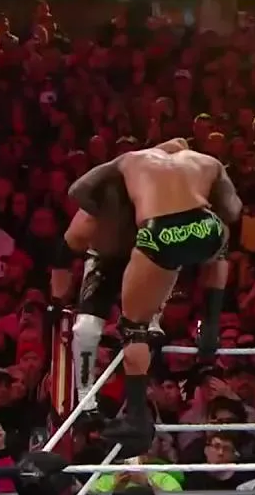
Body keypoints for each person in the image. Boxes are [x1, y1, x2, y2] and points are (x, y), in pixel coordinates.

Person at [65, 143, 241, 458]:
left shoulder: (130, 160)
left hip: (160, 231)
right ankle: (210, 327)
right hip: (207, 227)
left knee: (133, 327)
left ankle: (137, 418)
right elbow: (232, 209)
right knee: (220, 242)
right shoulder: (206, 161)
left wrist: (115, 207)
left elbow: (78, 190)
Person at [54, 140, 184, 401]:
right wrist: (57, 303)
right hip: (105, 259)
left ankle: (153, 319)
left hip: (147, 257)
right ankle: (85, 398)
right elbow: (63, 254)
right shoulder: (90, 218)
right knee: (85, 329)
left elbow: (180, 145)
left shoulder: (163, 198)